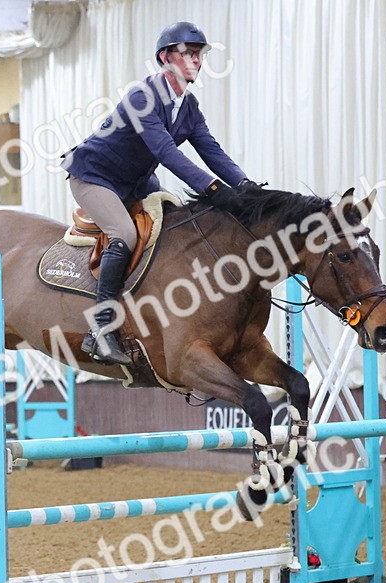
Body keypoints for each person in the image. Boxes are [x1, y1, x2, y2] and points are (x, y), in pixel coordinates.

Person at [62, 21, 252, 365]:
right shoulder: (142, 96)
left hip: (135, 182)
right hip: (95, 176)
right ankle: (101, 330)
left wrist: (244, 185)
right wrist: (211, 188)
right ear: (165, 57)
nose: (196, 60)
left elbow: (211, 150)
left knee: (178, 225)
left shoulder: (189, 107)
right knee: (124, 235)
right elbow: (167, 153)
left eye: (199, 55)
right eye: (189, 54)